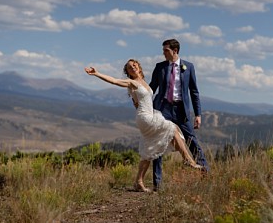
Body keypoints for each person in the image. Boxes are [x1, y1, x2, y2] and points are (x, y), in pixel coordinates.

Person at [85, 60, 203, 192]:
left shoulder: (144, 83)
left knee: (150, 150)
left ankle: (138, 182)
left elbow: (137, 102)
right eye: (129, 67)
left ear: (139, 67)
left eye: (134, 65)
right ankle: (188, 160)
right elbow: (114, 80)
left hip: (149, 115)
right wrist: (96, 73)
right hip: (145, 117)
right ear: (128, 72)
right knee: (172, 128)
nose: (133, 67)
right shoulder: (132, 83)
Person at [148, 39, 208, 191]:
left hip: (181, 110)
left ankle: (205, 172)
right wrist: (142, 99)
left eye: (166, 50)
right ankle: (157, 183)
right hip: (163, 109)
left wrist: (198, 114)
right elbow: (151, 88)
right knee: (159, 142)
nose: (163, 53)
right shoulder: (160, 67)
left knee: (191, 140)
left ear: (175, 51)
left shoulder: (188, 67)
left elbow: (194, 92)